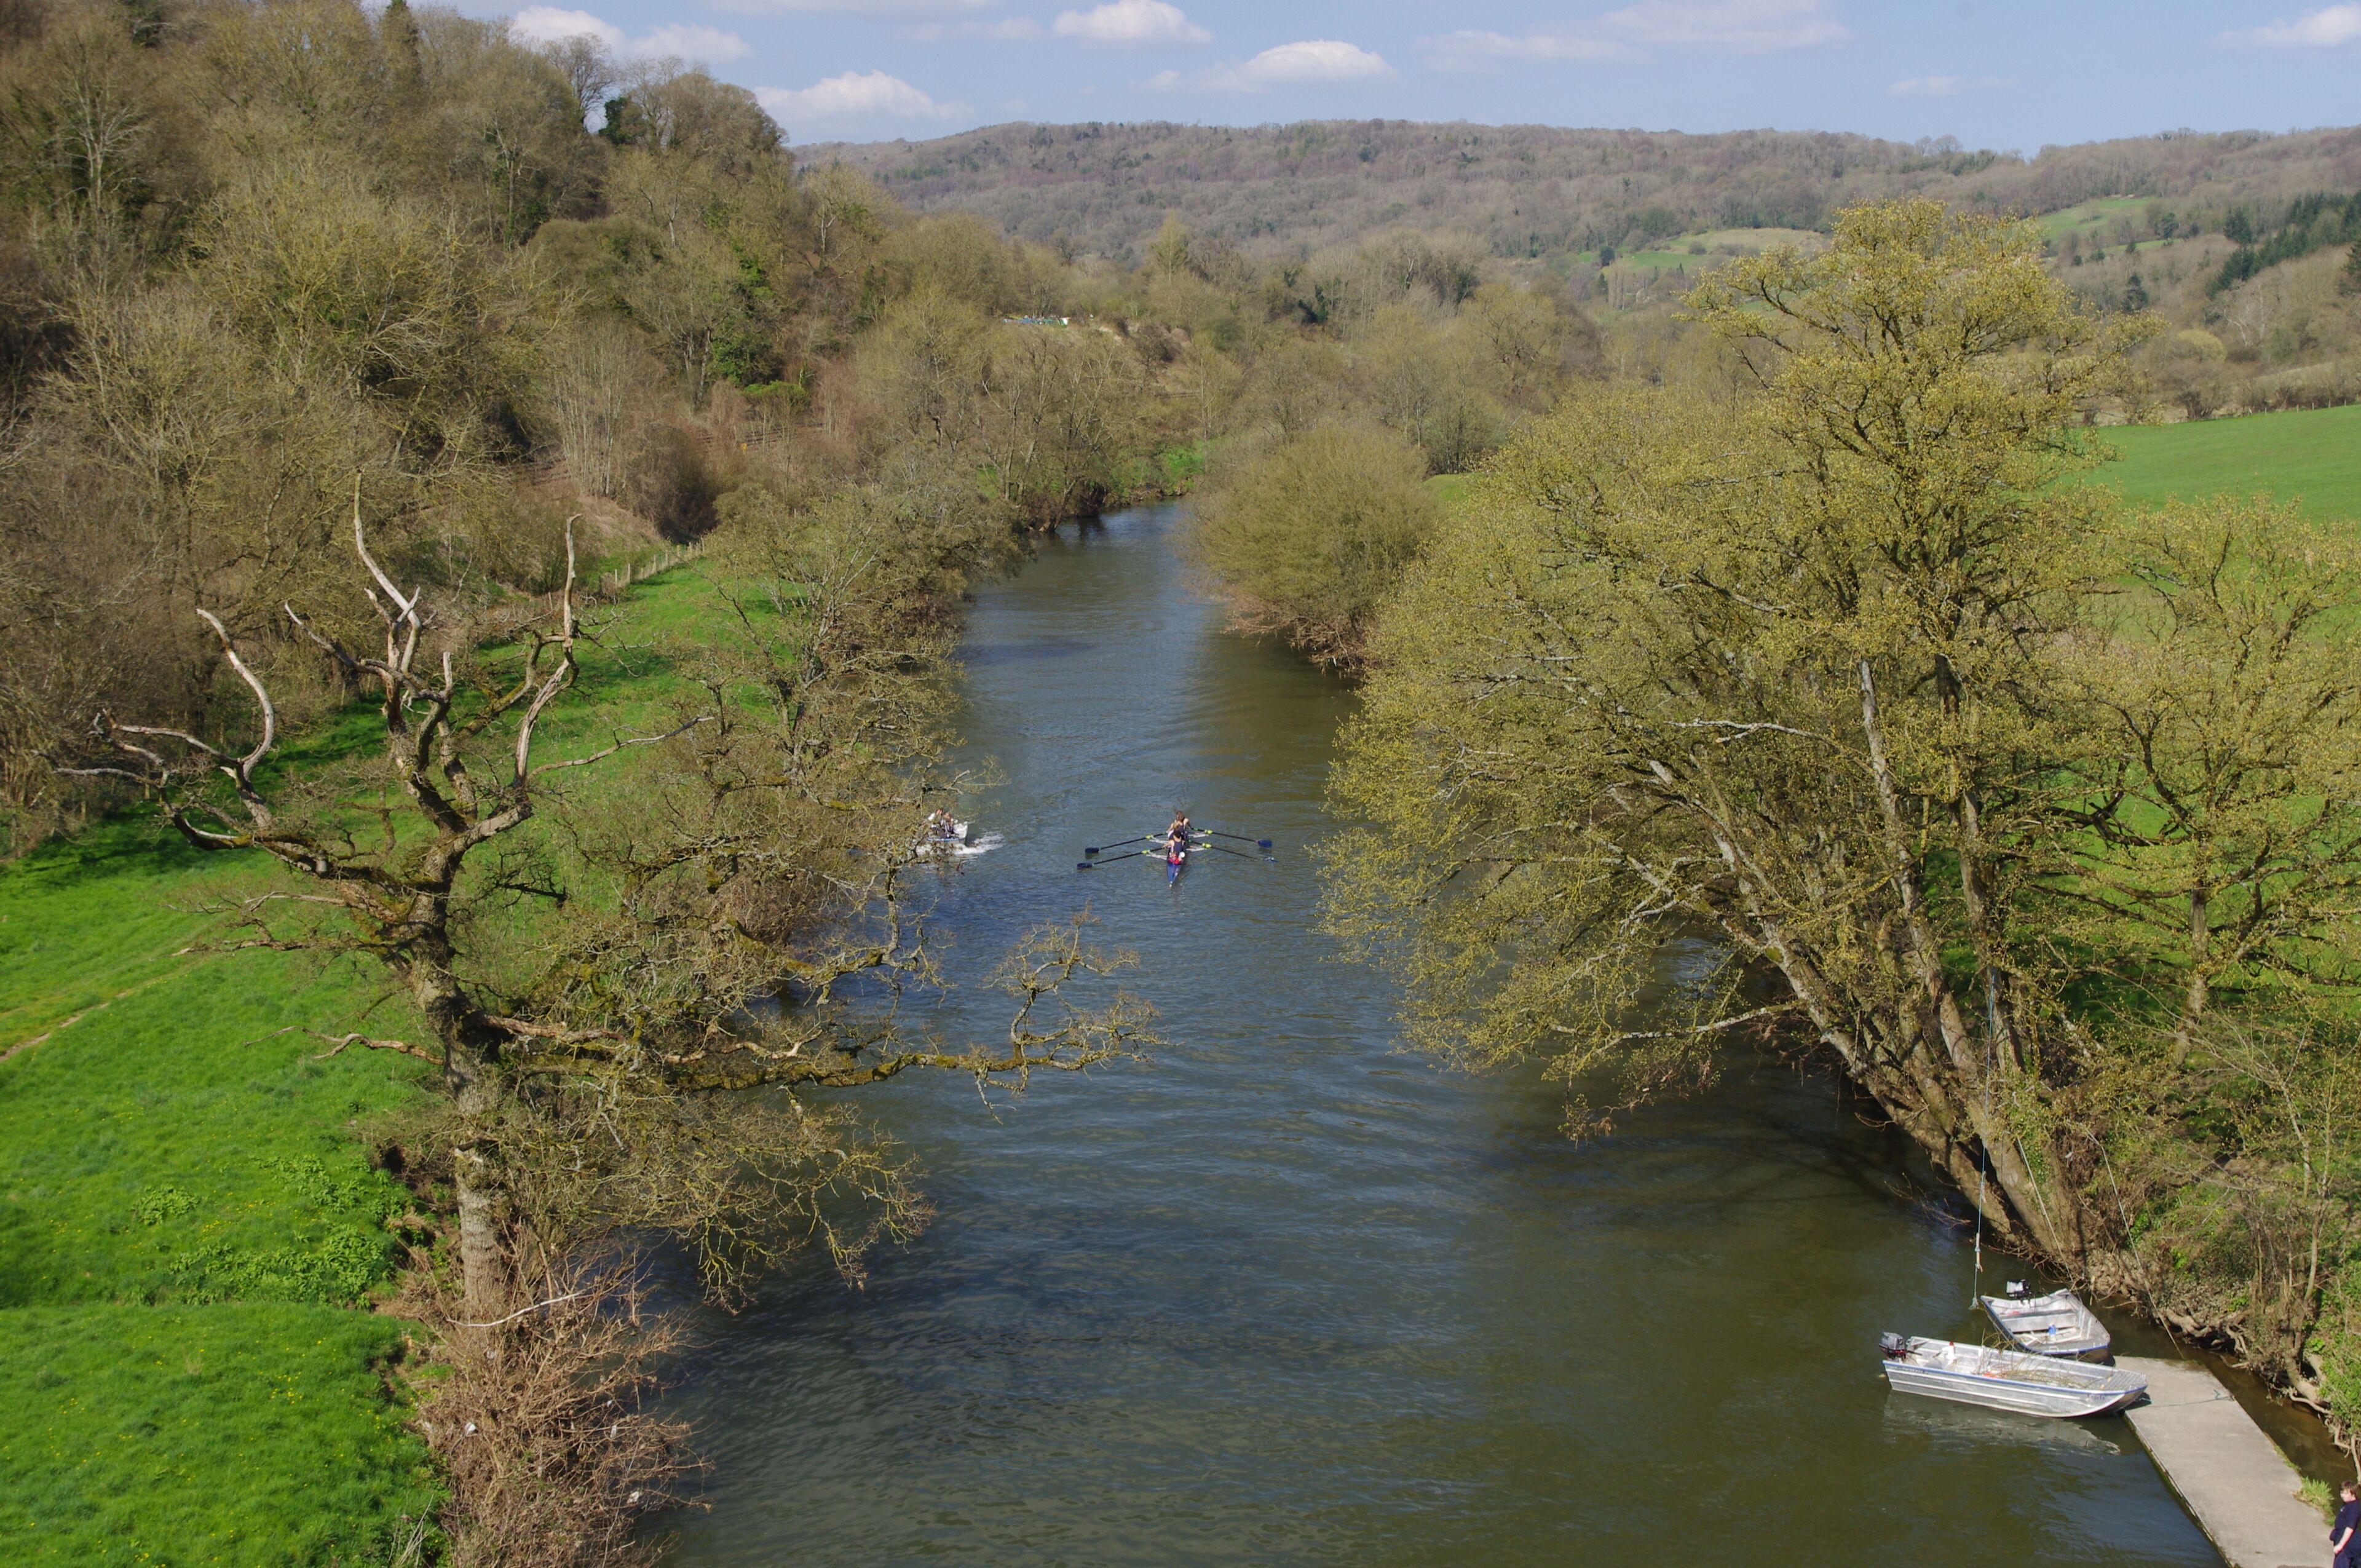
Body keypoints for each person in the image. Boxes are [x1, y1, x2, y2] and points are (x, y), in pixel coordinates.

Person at [2334, 1480, 2359, 1568]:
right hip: (2343, 1539)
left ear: (2353, 1494)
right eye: (2341, 1493)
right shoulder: (2347, 1504)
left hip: (2348, 1545)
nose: (2342, 1495)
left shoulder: (2354, 1508)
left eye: (2346, 1493)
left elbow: (2350, 1528)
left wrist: (2341, 1545)